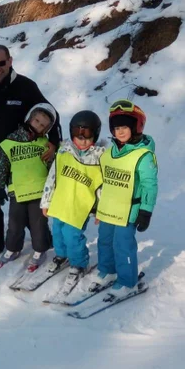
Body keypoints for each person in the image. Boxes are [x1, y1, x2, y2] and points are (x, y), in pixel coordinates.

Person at [0, 44, 61, 262]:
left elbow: (51, 113)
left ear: (10, 61)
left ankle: (43, 240)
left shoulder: (25, 86)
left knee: (24, 201)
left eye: (1, 63)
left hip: (19, 156)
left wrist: (54, 141)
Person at [90, 100, 158, 298]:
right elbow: (102, 180)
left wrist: (146, 211)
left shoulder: (143, 155)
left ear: (135, 127)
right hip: (107, 208)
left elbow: (149, 185)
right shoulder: (109, 152)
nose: (120, 131)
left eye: (124, 127)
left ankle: (127, 281)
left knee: (123, 245)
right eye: (116, 127)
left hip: (128, 211)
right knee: (104, 241)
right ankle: (108, 271)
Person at [40, 110, 105, 293]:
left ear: (95, 135)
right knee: (58, 232)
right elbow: (52, 177)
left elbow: (101, 187)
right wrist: (46, 201)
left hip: (79, 207)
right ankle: (61, 255)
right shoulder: (63, 152)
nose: (82, 142)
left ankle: (79, 262)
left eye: (86, 138)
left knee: (72, 235)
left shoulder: (99, 158)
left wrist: (101, 211)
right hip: (61, 202)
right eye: (78, 137)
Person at [0, 103, 57, 268]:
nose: (38, 125)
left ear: (46, 129)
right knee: (15, 224)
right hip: (18, 192)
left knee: (38, 224)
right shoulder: (10, 141)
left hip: (39, 192)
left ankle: (40, 248)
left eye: (43, 125)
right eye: (36, 120)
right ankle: (12, 248)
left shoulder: (46, 144)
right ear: (30, 118)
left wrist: (55, 188)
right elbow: (2, 165)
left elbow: (52, 167)